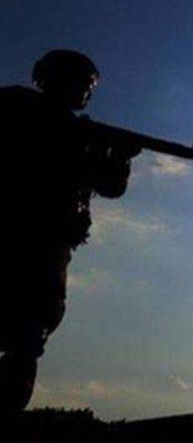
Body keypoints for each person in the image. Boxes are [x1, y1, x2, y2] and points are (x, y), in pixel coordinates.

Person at [0, 50, 140, 412]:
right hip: (32, 240)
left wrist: (117, 157)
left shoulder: (64, 127)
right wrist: (115, 158)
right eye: (85, 84)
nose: (87, 93)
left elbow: (108, 184)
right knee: (28, 331)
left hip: (45, 241)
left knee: (30, 331)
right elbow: (109, 184)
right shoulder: (33, 116)